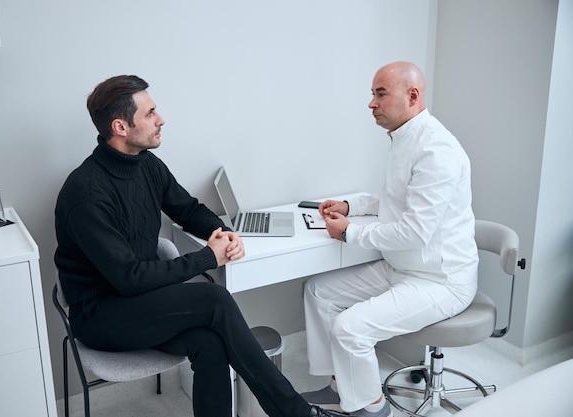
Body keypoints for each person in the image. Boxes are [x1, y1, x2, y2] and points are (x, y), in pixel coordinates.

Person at [54, 74, 342, 417]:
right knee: (215, 298)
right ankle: (297, 413)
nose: (160, 119)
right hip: (103, 314)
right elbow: (128, 277)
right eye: (149, 113)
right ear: (120, 126)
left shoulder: (146, 165)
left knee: (210, 342)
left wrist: (221, 232)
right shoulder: (85, 193)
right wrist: (208, 257)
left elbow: (187, 209)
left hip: (142, 301)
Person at [300, 62, 479, 417]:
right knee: (318, 291)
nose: (371, 103)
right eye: (373, 94)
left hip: (441, 280)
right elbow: (395, 199)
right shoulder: (403, 138)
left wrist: (350, 231)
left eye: (380, 93)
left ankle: (372, 408)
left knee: (350, 328)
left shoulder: (437, 151)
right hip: (402, 266)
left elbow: (414, 230)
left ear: (412, 96)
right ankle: (339, 384)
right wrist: (352, 204)